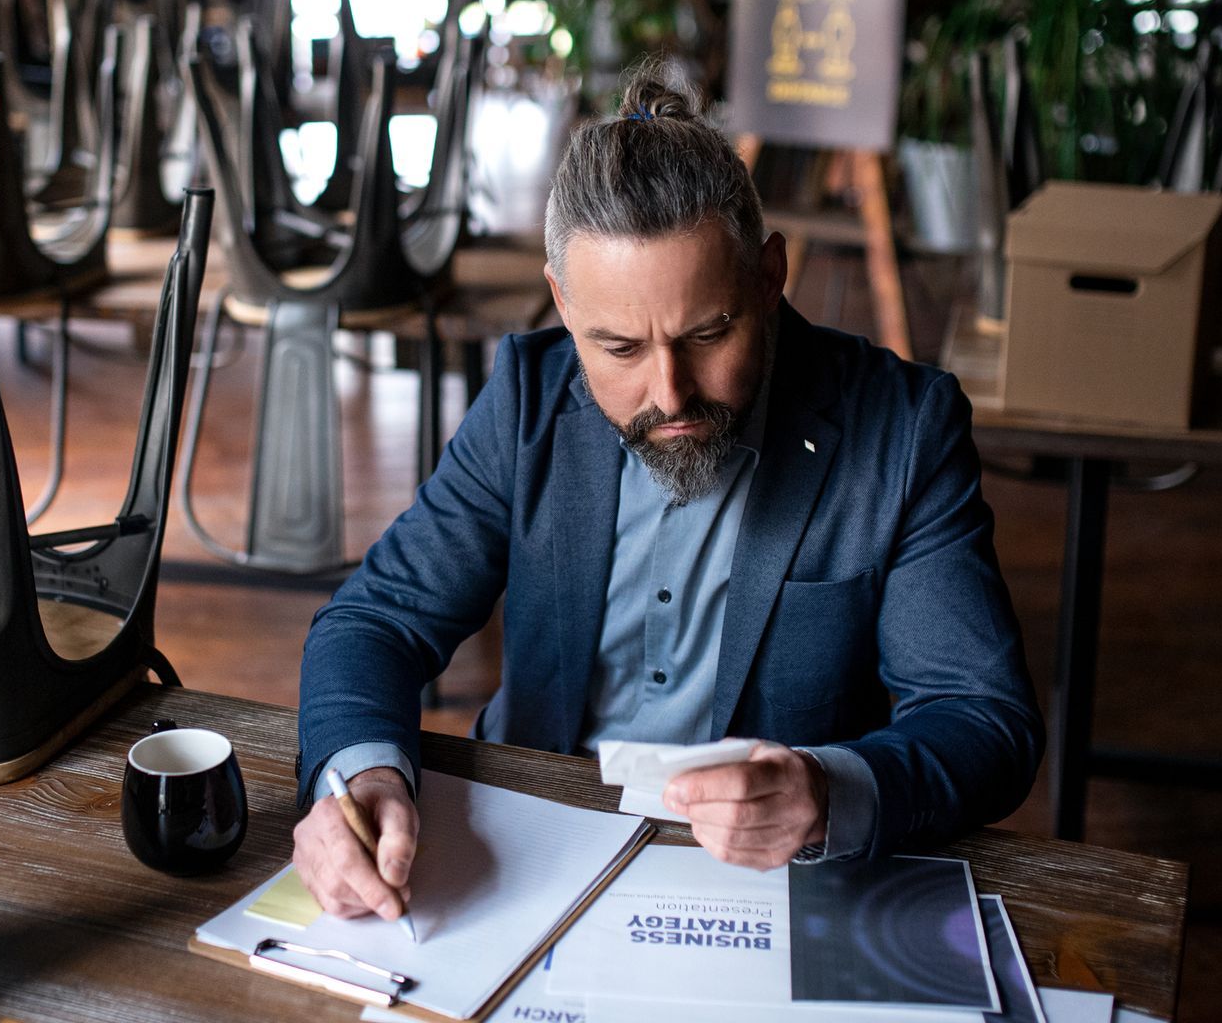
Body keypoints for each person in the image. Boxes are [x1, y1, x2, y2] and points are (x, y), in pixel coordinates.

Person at [291, 63, 1043, 924]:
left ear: (769, 277)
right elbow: (377, 620)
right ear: (564, 306)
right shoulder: (530, 401)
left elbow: (984, 719)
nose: (671, 393)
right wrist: (363, 776)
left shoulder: (902, 430)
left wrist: (830, 792)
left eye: (707, 332)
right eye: (618, 348)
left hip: (770, 884)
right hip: (522, 855)